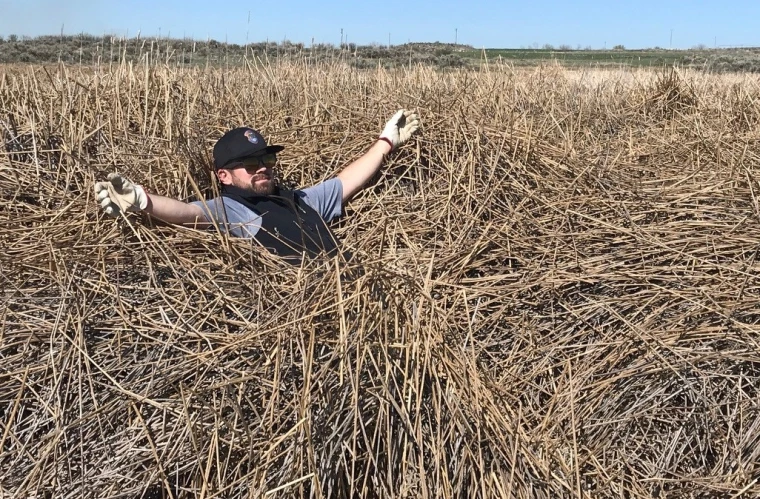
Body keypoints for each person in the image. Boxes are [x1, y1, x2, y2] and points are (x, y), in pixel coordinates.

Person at [94, 109, 420, 262]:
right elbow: (186, 213)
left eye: (267, 161)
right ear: (224, 177)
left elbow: (346, 180)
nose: (262, 168)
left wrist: (385, 142)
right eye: (250, 165)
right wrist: (140, 198)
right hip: (316, 310)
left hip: (355, 289)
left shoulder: (299, 199)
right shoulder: (232, 211)